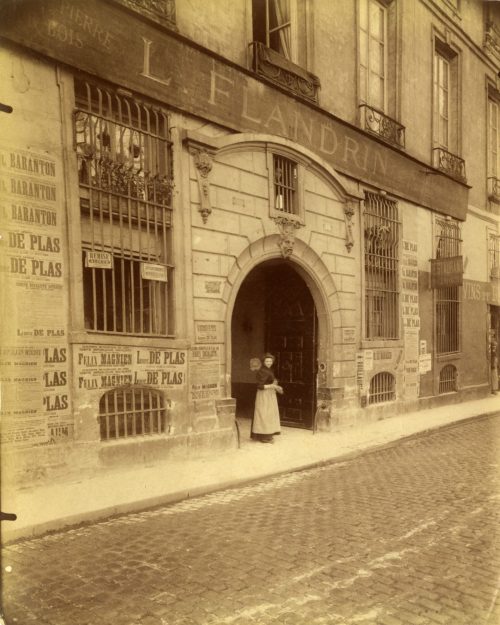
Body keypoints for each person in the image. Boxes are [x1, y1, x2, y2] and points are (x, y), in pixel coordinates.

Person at [251, 353, 282, 443]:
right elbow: (260, 386)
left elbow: (271, 380)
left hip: (269, 394)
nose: (269, 363)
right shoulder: (262, 371)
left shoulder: (269, 370)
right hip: (264, 395)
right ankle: (264, 437)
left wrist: (275, 385)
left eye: (270, 361)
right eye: (267, 361)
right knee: (264, 414)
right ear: (263, 362)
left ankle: (267, 435)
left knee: (269, 414)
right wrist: (273, 386)